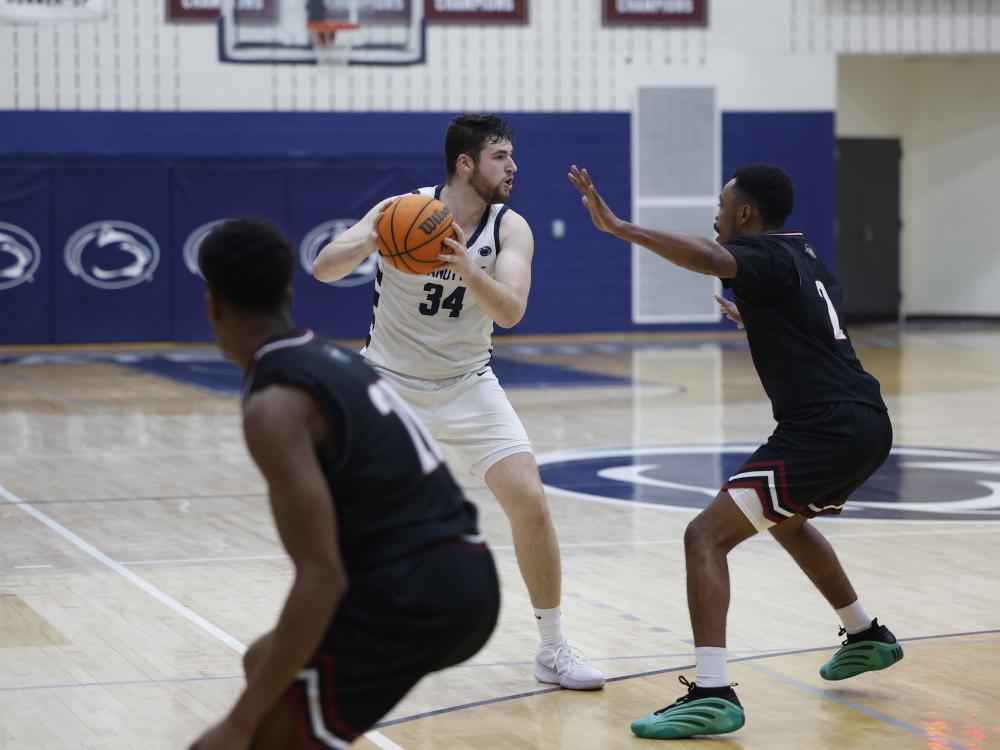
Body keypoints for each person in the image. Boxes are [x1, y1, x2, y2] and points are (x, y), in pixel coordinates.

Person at [569, 163, 903, 739]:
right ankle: (865, 631)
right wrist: (758, 320)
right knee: (789, 523)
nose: (716, 214)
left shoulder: (764, 255)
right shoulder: (808, 259)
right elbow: (810, 328)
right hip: (867, 421)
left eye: (723, 204)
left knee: (704, 536)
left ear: (746, 213)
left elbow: (707, 256)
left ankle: (713, 691)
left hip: (824, 429)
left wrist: (620, 227)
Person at [312, 114, 605, 690]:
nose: (513, 166)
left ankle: (552, 648)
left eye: (512, 156)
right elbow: (324, 269)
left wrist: (469, 268)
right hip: (390, 382)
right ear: (465, 163)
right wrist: (372, 237)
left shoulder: (511, 228)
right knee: (362, 517)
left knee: (531, 503)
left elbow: (511, 312)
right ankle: (350, 638)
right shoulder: (401, 209)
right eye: (500, 155)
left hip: (468, 382)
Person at [188, 217, 500, 750]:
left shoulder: (276, 406)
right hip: (463, 573)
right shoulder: (326, 356)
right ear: (287, 294)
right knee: (261, 662)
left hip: (415, 593)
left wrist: (237, 722)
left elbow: (321, 577)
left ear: (212, 305)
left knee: (261, 734)